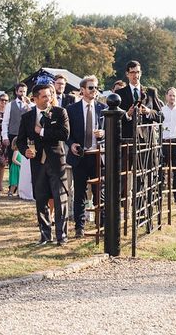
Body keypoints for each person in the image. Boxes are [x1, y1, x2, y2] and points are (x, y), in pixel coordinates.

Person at [17, 84, 70, 246]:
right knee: (40, 199)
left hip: (56, 162)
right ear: (35, 98)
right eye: (44, 96)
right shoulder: (27, 117)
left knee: (60, 198)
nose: (48, 99)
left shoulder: (60, 112)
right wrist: (25, 150)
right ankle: (45, 235)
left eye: (50, 95)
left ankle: (62, 236)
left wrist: (41, 131)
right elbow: (20, 140)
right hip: (37, 163)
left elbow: (64, 134)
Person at [66, 76, 107, 238]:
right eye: (91, 88)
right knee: (80, 193)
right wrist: (71, 144)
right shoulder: (72, 109)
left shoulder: (102, 108)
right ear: (82, 90)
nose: (94, 90)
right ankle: (79, 227)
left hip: (97, 156)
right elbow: (66, 133)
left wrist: (103, 133)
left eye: (96, 88)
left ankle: (103, 225)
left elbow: (109, 132)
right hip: (80, 156)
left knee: (100, 192)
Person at [115, 61, 164, 138]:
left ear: (140, 73)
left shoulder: (151, 92)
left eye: (138, 72)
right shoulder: (119, 93)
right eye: (132, 72)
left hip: (147, 141)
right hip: (129, 140)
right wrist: (127, 114)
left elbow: (161, 116)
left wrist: (149, 112)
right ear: (127, 74)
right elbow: (115, 120)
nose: (136, 75)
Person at [1, 83, 32, 165]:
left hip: (26, 136)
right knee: (13, 160)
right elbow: (5, 122)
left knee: (26, 160)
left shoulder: (30, 105)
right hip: (13, 136)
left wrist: (29, 104)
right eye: (20, 91)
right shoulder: (10, 105)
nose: (22, 94)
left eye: (24, 92)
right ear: (16, 92)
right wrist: (5, 136)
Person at [0, 93, 9, 192]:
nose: (3, 102)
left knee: (3, 163)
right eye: (2, 100)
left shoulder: (8, 112)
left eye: (6, 100)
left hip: (5, 140)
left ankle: (0, 184)